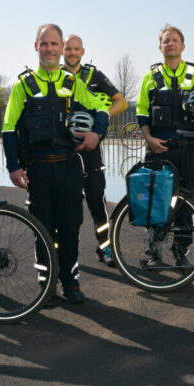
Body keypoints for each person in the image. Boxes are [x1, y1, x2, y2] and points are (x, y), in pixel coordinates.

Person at [2, 24, 109, 304]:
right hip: (38, 169)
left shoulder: (74, 84)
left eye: (54, 44)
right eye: (44, 44)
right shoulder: (23, 86)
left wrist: (97, 133)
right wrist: (13, 166)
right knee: (43, 229)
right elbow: (9, 128)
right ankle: (46, 285)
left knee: (70, 227)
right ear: (36, 47)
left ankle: (70, 283)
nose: (49, 49)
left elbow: (101, 109)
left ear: (62, 48)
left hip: (69, 167)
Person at [135, 24, 194, 267]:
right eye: (166, 41)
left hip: (187, 149)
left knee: (185, 204)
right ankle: (154, 252)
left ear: (183, 45)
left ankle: (182, 251)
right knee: (156, 201)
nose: (170, 44)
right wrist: (148, 139)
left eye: (175, 40)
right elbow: (141, 113)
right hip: (159, 149)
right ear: (160, 47)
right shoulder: (150, 77)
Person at [62, 34, 128, 268]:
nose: (71, 52)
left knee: (97, 200)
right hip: (63, 149)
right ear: (62, 50)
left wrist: (101, 117)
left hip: (91, 149)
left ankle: (104, 247)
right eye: (68, 48)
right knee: (64, 205)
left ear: (82, 51)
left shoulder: (94, 75)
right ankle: (62, 252)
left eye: (76, 49)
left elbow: (121, 102)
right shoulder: (54, 76)